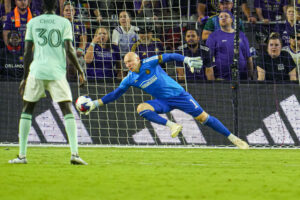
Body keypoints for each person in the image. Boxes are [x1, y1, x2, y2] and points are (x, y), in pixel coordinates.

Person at [81, 52, 249, 149]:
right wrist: (95, 104)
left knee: (204, 118)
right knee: (141, 108)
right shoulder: (129, 78)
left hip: (180, 96)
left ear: (137, 59)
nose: (128, 64)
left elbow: (168, 56)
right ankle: (172, 125)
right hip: (162, 101)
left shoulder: (149, 63)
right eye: (126, 63)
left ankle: (233, 138)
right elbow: (115, 94)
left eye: (130, 61)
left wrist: (186, 60)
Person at [9, 0, 87, 165]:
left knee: (28, 108)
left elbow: (27, 51)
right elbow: (69, 49)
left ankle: (22, 155)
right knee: (66, 109)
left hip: (37, 71)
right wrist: (80, 71)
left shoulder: (33, 22)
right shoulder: (64, 22)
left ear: (42, 7)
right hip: (57, 72)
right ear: (57, 7)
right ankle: (75, 154)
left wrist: (25, 76)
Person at [206, 10, 253, 80]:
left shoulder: (241, 35)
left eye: (226, 16)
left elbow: (248, 57)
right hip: (221, 79)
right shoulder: (213, 36)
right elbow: (208, 60)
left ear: (231, 19)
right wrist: (212, 82)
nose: (223, 18)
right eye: (221, 17)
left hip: (242, 79)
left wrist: (250, 76)